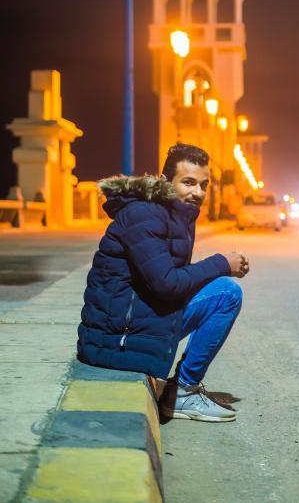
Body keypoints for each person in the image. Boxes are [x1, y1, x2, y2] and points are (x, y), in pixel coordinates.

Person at [77, 143, 249, 422]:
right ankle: (181, 393)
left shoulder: (176, 213)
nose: (198, 193)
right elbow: (166, 284)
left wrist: (218, 268)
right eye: (189, 183)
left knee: (222, 290)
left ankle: (179, 391)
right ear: (166, 182)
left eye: (204, 185)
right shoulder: (144, 214)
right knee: (226, 293)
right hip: (115, 341)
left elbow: (168, 280)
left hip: (131, 325)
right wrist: (220, 264)